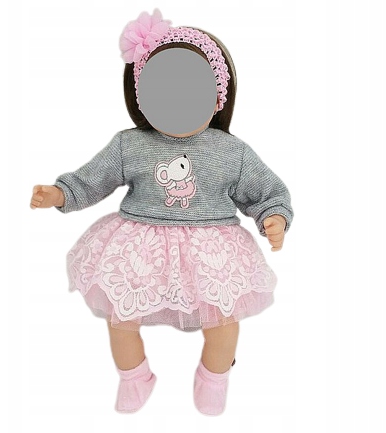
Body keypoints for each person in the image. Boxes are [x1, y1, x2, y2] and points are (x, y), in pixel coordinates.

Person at [30, 9, 293, 416]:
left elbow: (267, 190)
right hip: (141, 246)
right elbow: (93, 179)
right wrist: (61, 193)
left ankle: (214, 377)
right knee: (120, 315)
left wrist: (273, 216)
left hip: (211, 251)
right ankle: (134, 376)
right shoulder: (130, 144)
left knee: (224, 321)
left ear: (217, 97)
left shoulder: (231, 151)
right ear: (141, 96)